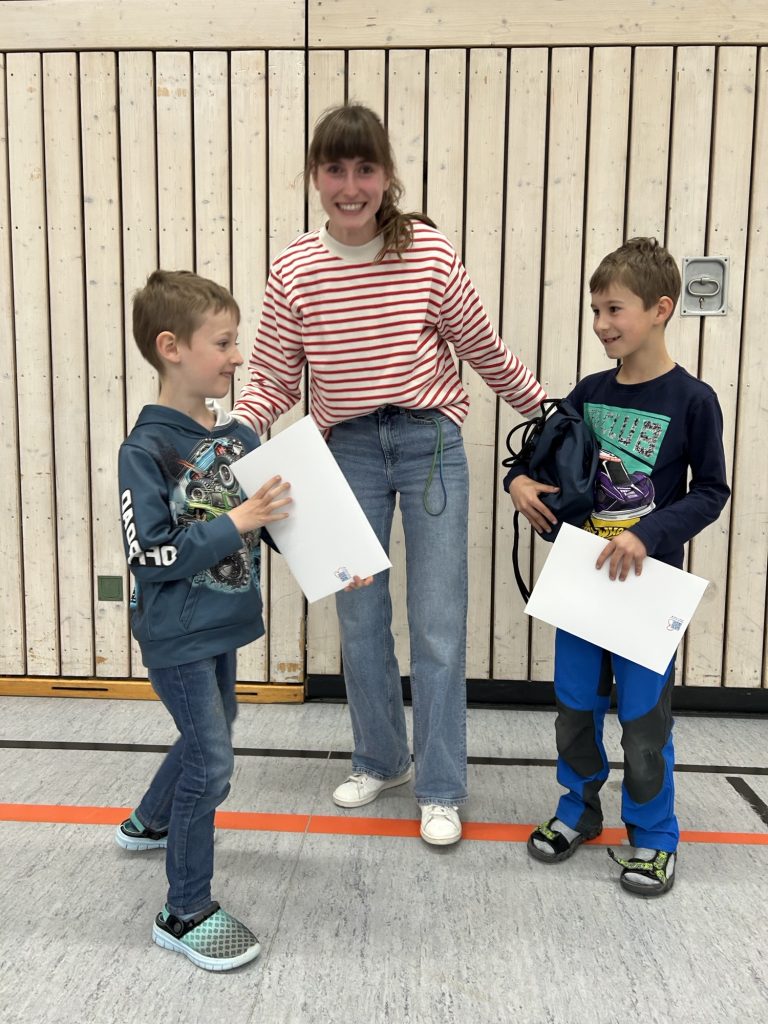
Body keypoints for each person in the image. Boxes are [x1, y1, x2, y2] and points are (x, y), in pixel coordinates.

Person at [234, 103, 546, 846]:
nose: (351, 186)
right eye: (335, 169)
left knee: (438, 621)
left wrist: (552, 414)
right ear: (315, 177)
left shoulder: (427, 254)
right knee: (360, 617)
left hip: (429, 441)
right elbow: (273, 376)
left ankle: (440, 786)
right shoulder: (295, 268)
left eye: (365, 169)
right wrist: (234, 434)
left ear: (386, 176)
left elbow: (484, 348)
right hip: (345, 451)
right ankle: (382, 758)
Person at [506, 237, 730, 896]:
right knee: (575, 709)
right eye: (596, 311)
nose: (602, 324)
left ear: (661, 309)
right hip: (581, 584)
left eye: (614, 310)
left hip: (645, 590)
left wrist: (647, 534)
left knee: (643, 723)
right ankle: (578, 810)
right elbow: (537, 459)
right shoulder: (589, 392)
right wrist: (518, 482)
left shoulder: (693, 400)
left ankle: (654, 834)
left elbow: (710, 491)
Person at [114, 269, 293, 970]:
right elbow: (150, 554)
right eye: (223, 343)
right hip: (176, 632)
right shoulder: (145, 451)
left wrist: (337, 561)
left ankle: (148, 821)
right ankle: (183, 910)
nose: (237, 355)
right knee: (212, 762)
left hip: (221, 622)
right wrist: (235, 521)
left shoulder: (237, 437)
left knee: (213, 728)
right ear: (172, 348)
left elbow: (268, 522)